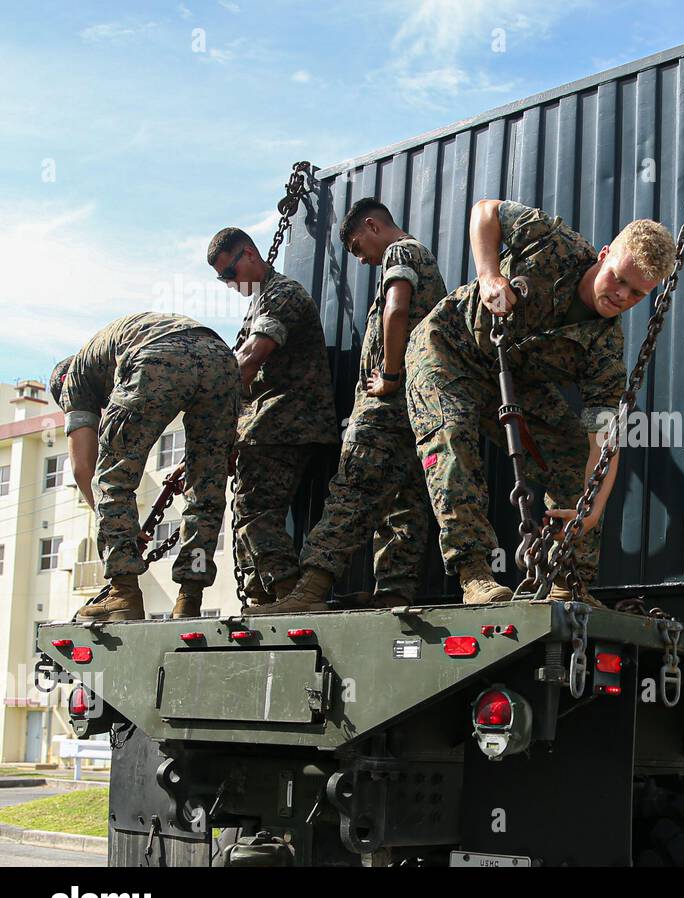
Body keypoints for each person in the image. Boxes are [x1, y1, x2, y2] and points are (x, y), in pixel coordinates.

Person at [405, 199, 675, 605]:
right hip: (449, 348)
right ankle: (475, 573)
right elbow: (484, 211)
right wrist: (489, 275)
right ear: (604, 256)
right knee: (452, 433)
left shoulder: (605, 349)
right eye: (618, 279)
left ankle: (567, 581)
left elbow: (604, 440)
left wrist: (593, 510)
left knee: (573, 456)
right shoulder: (551, 242)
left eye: (638, 293)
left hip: (513, 379)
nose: (622, 295)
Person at [250, 199, 445, 614]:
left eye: (358, 247)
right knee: (404, 499)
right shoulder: (425, 259)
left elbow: (396, 309)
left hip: (386, 405)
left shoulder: (401, 251)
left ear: (373, 227)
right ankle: (394, 589)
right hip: (417, 405)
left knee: (351, 491)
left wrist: (389, 375)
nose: (360, 258)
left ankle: (310, 589)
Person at [50, 313, 238, 621]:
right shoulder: (110, 348)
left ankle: (123, 594)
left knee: (112, 479)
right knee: (205, 488)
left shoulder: (73, 379)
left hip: (156, 353)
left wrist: (120, 529)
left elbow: (83, 470)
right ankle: (189, 597)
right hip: (220, 356)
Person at [207, 227, 337, 610]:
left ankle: (290, 593)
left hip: (284, 423)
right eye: (222, 279)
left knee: (255, 513)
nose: (229, 284)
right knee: (252, 514)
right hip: (267, 426)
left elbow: (248, 362)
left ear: (249, 253)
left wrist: (217, 424)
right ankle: (264, 595)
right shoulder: (259, 303)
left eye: (230, 273)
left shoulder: (283, 294)